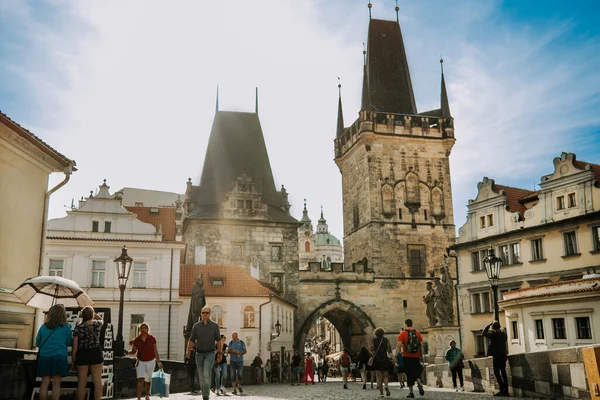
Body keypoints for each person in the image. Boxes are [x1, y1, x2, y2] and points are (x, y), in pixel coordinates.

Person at [35, 304, 72, 400]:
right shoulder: (66, 327)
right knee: (56, 384)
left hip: (45, 357)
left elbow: (37, 343)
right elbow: (69, 342)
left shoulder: (43, 327)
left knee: (44, 382)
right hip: (59, 357)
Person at [186, 306, 221, 400]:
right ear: (201, 314)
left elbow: (218, 340)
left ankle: (206, 396)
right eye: (203, 313)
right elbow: (191, 340)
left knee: (206, 373)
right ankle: (204, 395)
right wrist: (188, 351)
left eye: (206, 313)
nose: (204, 314)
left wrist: (220, 353)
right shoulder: (196, 326)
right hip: (199, 354)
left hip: (210, 353)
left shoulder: (215, 326)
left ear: (210, 314)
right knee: (201, 376)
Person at [72, 306, 104, 400]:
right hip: (96, 352)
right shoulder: (97, 324)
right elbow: (101, 319)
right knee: (97, 381)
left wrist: (74, 359)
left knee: (81, 382)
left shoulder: (78, 327)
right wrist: (94, 314)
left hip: (82, 353)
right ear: (92, 315)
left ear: (82, 315)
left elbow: (75, 346)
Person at [128, 323, 163, 400]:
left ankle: (147, 395)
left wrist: (159, 362)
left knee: (148, 380)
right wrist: (127, 352)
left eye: (145, 328)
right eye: (142, 328)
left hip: (151, 361)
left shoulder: (152, 339)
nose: (144, 329)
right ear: (140, 330)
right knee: (140, 379)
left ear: (148, 330)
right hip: (141, 361)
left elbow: (155, 352)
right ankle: (139, 398)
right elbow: (134, 351)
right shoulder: (137, 340)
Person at [396, 319, 424, 398]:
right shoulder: (417, 332)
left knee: (409, 373)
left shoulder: (403, 333)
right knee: (416, 371)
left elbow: (398, 345)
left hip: (406, 356)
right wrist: (422, 357)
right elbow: (421, 345)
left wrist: (396, 356)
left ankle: (411, 392)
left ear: (405, 324)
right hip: (416, 356)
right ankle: (419, 383)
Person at [483, 321, 509, 396]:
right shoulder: (503, 334)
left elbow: (484, 333)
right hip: (503, 355)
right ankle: (506, 390)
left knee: (497, 372)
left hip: (496, 356)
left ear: (493, 328)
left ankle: (502, 389)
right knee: (503, 372)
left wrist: (488, 325)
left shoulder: (493, 334)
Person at [371, 327, 394, 398]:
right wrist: (394, 359)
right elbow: (389, 351)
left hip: (377, 360)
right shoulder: (386, 340)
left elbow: (372, 350)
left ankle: (381, 393)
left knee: (379, 378)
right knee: (385, 376)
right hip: (385, 359)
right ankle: (386, 386)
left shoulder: (373, 340)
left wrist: (372, 356)